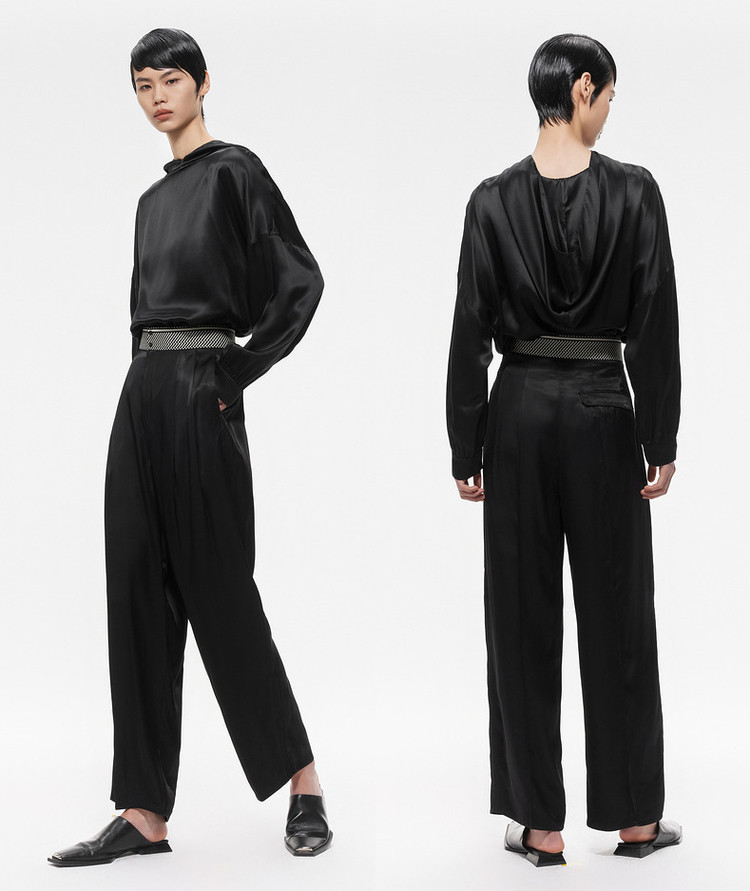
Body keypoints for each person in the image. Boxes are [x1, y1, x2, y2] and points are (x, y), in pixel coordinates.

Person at [48, 28, 332, 867]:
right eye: (143, 86)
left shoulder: (235, 171)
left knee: (222, 592)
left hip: (204, 387)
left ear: (203, 83)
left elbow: (301, 280)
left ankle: (304, 783)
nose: (157, 98)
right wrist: (152, 390)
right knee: (135, 591)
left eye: (169, 80)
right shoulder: (149, 202)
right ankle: (143, 812)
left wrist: (234, 372)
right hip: (142, 392)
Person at [446, 33, 683, 868]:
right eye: (608, 96)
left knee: (519, 613)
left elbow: (470, 329)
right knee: (619, 612)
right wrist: (660, 434)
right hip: (602, 410)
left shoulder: (489, 200)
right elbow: (654, 321)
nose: (609, 111)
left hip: (516, 413)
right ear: (583, 88)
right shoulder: (635, 191)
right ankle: (635, 820)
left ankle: (539, 825)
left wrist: (466, 442)